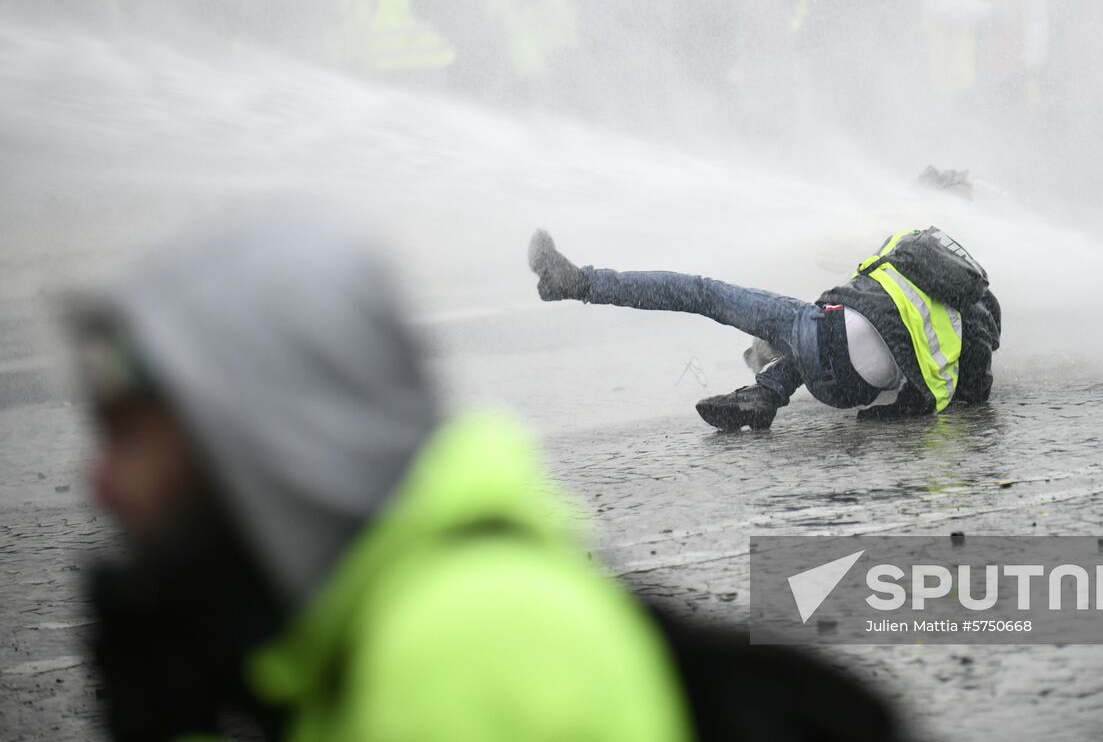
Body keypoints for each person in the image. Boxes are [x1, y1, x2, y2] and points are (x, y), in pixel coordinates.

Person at [71, 207, 692, 742]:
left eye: (131, 436)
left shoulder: (459, 644)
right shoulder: (365, 632)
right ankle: (579, 282)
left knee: (709, 296)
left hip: (789, 346)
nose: (101, 482)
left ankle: (579, 283)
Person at [527, 226, 1001, 431]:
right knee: (815, 329)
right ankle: (761, 398)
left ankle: (577, 282)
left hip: (823, 340)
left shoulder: (911, 249)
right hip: (847, 390)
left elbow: (851, 284)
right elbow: (974, 393)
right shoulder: (960, 326)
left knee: (702, 293)